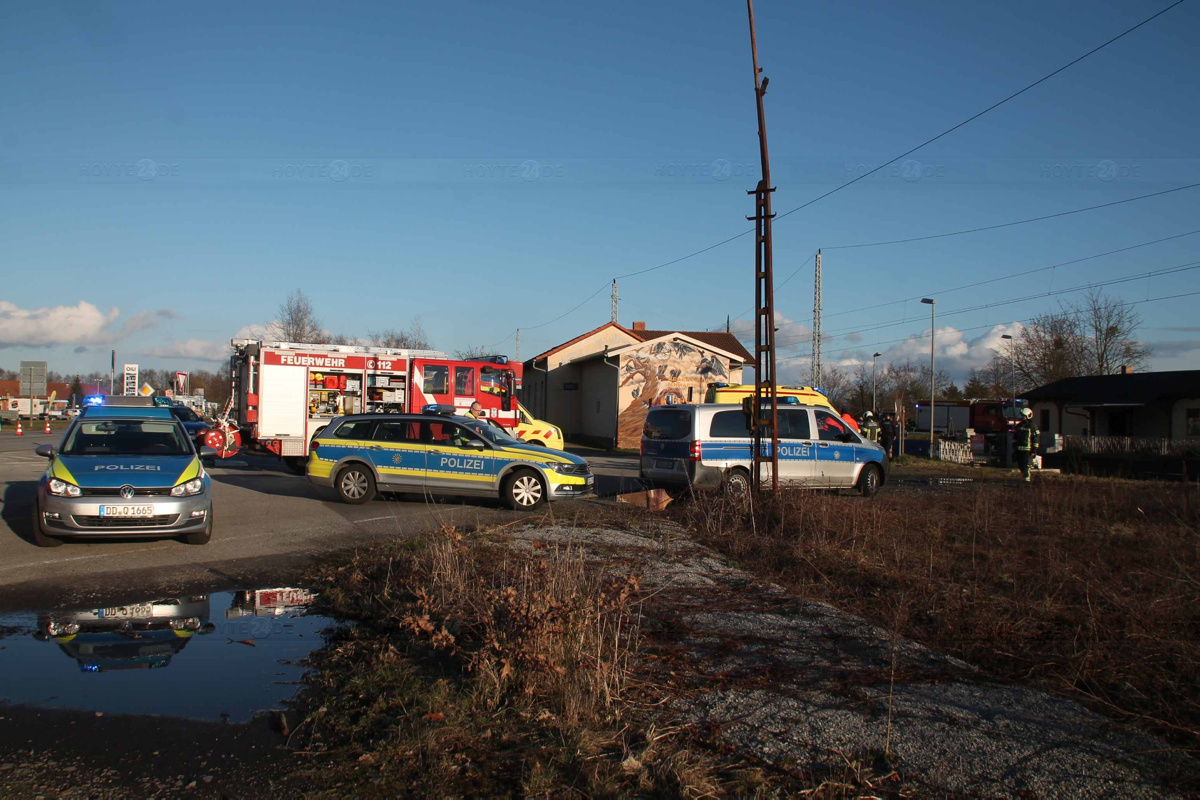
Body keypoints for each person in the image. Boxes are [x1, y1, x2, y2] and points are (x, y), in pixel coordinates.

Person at [1013, 407, 1040, 483]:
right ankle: (1024, 479)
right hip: (1019, 449)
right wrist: (1014, 448)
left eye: (1024, 416)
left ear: (1028, 416)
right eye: (1022, 415)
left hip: (1027, 450)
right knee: (1020, 465)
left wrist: (1034, 449)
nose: (1022, 417)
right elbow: (1015, 437)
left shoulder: (1032, 426)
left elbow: (1035, 438)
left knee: (1026, 466)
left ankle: (1027, 481)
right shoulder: (1019, 426)